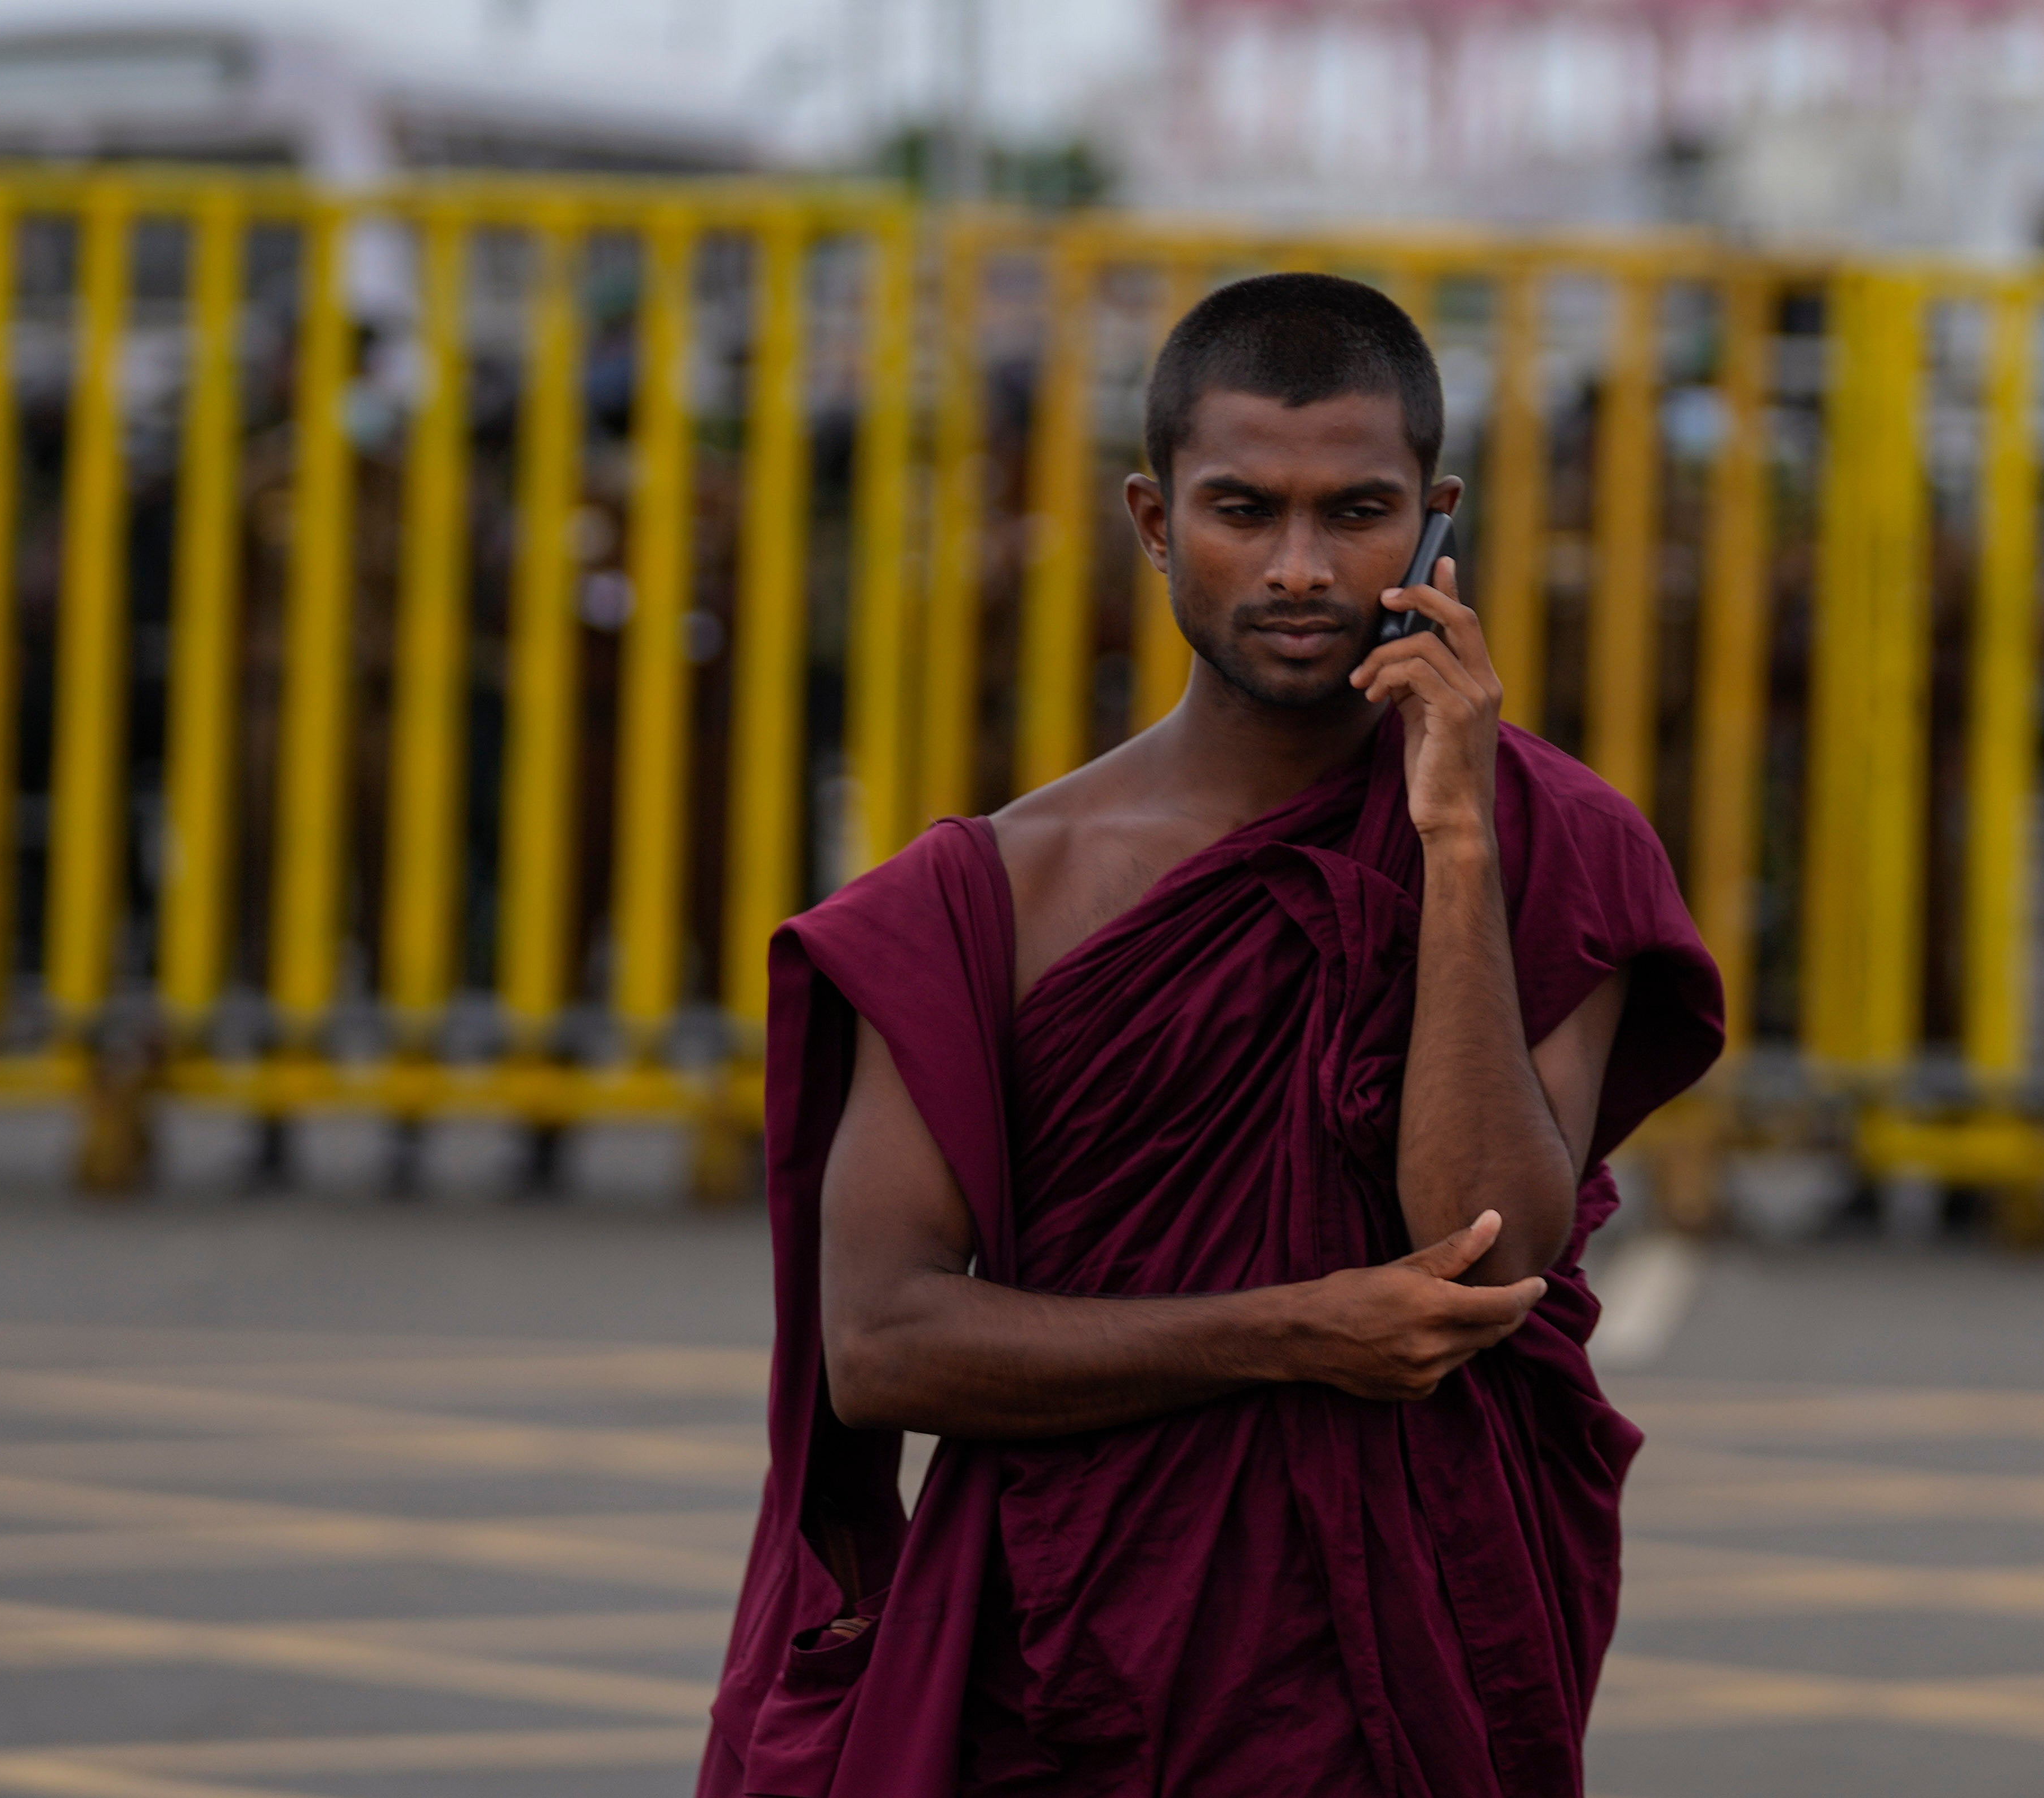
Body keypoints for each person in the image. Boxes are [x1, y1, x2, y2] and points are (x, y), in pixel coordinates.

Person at [702, 273, 1721, 1798]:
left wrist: (1453, 844)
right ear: (1155, 519)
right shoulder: (991, 894)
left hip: (1422, 1647)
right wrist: (1294, 1330)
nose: (1302, 567)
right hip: (1066, 1656)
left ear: (1437, 518)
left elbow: (1493, 1248)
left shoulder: (1545, 840)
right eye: (1245, 508)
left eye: (1358, 511)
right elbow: (882, 1342)